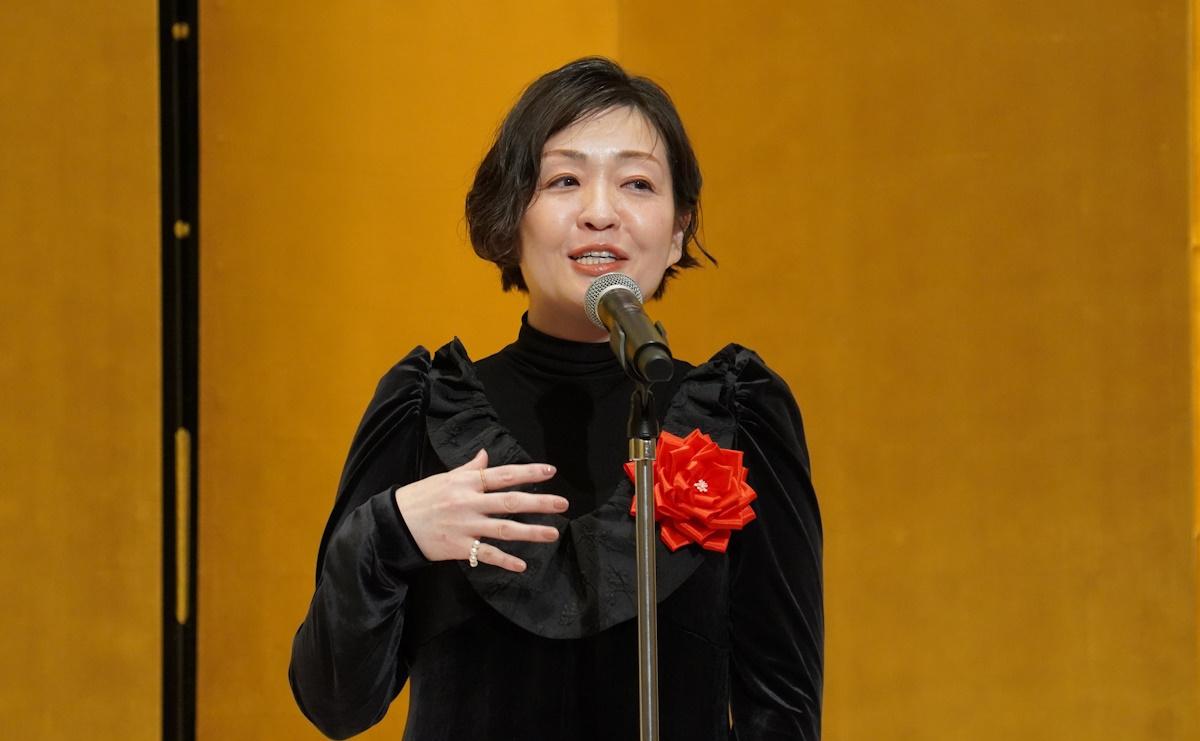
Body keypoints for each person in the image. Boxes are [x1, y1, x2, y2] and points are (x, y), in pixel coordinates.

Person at [289, 56, 823, 740]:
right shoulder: (426, 409)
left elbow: (783, 708)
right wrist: (392, 530)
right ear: (511, 216)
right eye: (564, 180)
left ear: (678, 229)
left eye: (637, 183)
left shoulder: (737, 415)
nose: (600, 213)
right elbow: (335, 703)